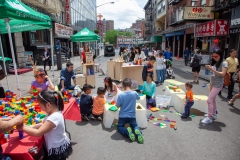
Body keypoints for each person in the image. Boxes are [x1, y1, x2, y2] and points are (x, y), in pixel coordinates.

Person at [17, 91, 72, 160]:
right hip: (55, 145)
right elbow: (42, 124)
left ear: (48, 105)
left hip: (56, 149)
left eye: (40, 105)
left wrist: (22, 128)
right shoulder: (51, 112)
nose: (40, 108)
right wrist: (26, 127)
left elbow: (38, 133)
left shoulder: (54, 117)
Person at [202, 50, 228, 124]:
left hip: (218, 84)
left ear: (220, 55)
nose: (214, 58)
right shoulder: (215, 62)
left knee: (209, 100)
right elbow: (213, 72)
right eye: (213, 56)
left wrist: (212, 70)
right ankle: (213, 114)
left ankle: (209, 117)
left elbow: (223, 74)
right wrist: (209, 68)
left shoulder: (224, 63)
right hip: (212, 83)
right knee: (212, 100)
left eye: (216, 56)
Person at [116, 78, 144, 144]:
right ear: (131, 85)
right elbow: (139, 98)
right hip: (132, 115)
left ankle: (127, 132)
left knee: (120, 127)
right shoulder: (134, 93)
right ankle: (137, 131)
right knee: (134, 125)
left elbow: (118, 106)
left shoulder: (120, 95)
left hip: (122, 116)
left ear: (123, 86)